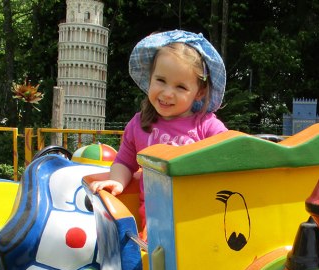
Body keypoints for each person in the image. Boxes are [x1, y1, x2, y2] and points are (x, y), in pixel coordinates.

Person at [89, 30, 227, 233]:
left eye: (180, 87)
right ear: (150, 79)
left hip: (203, 223)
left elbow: (231, 152)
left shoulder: (206, 126)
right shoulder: (139, 125)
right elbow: (124, 162)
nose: (167, 93)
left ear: (199, 92)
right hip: (156, 226)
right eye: (160, 80)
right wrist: (117, 181)